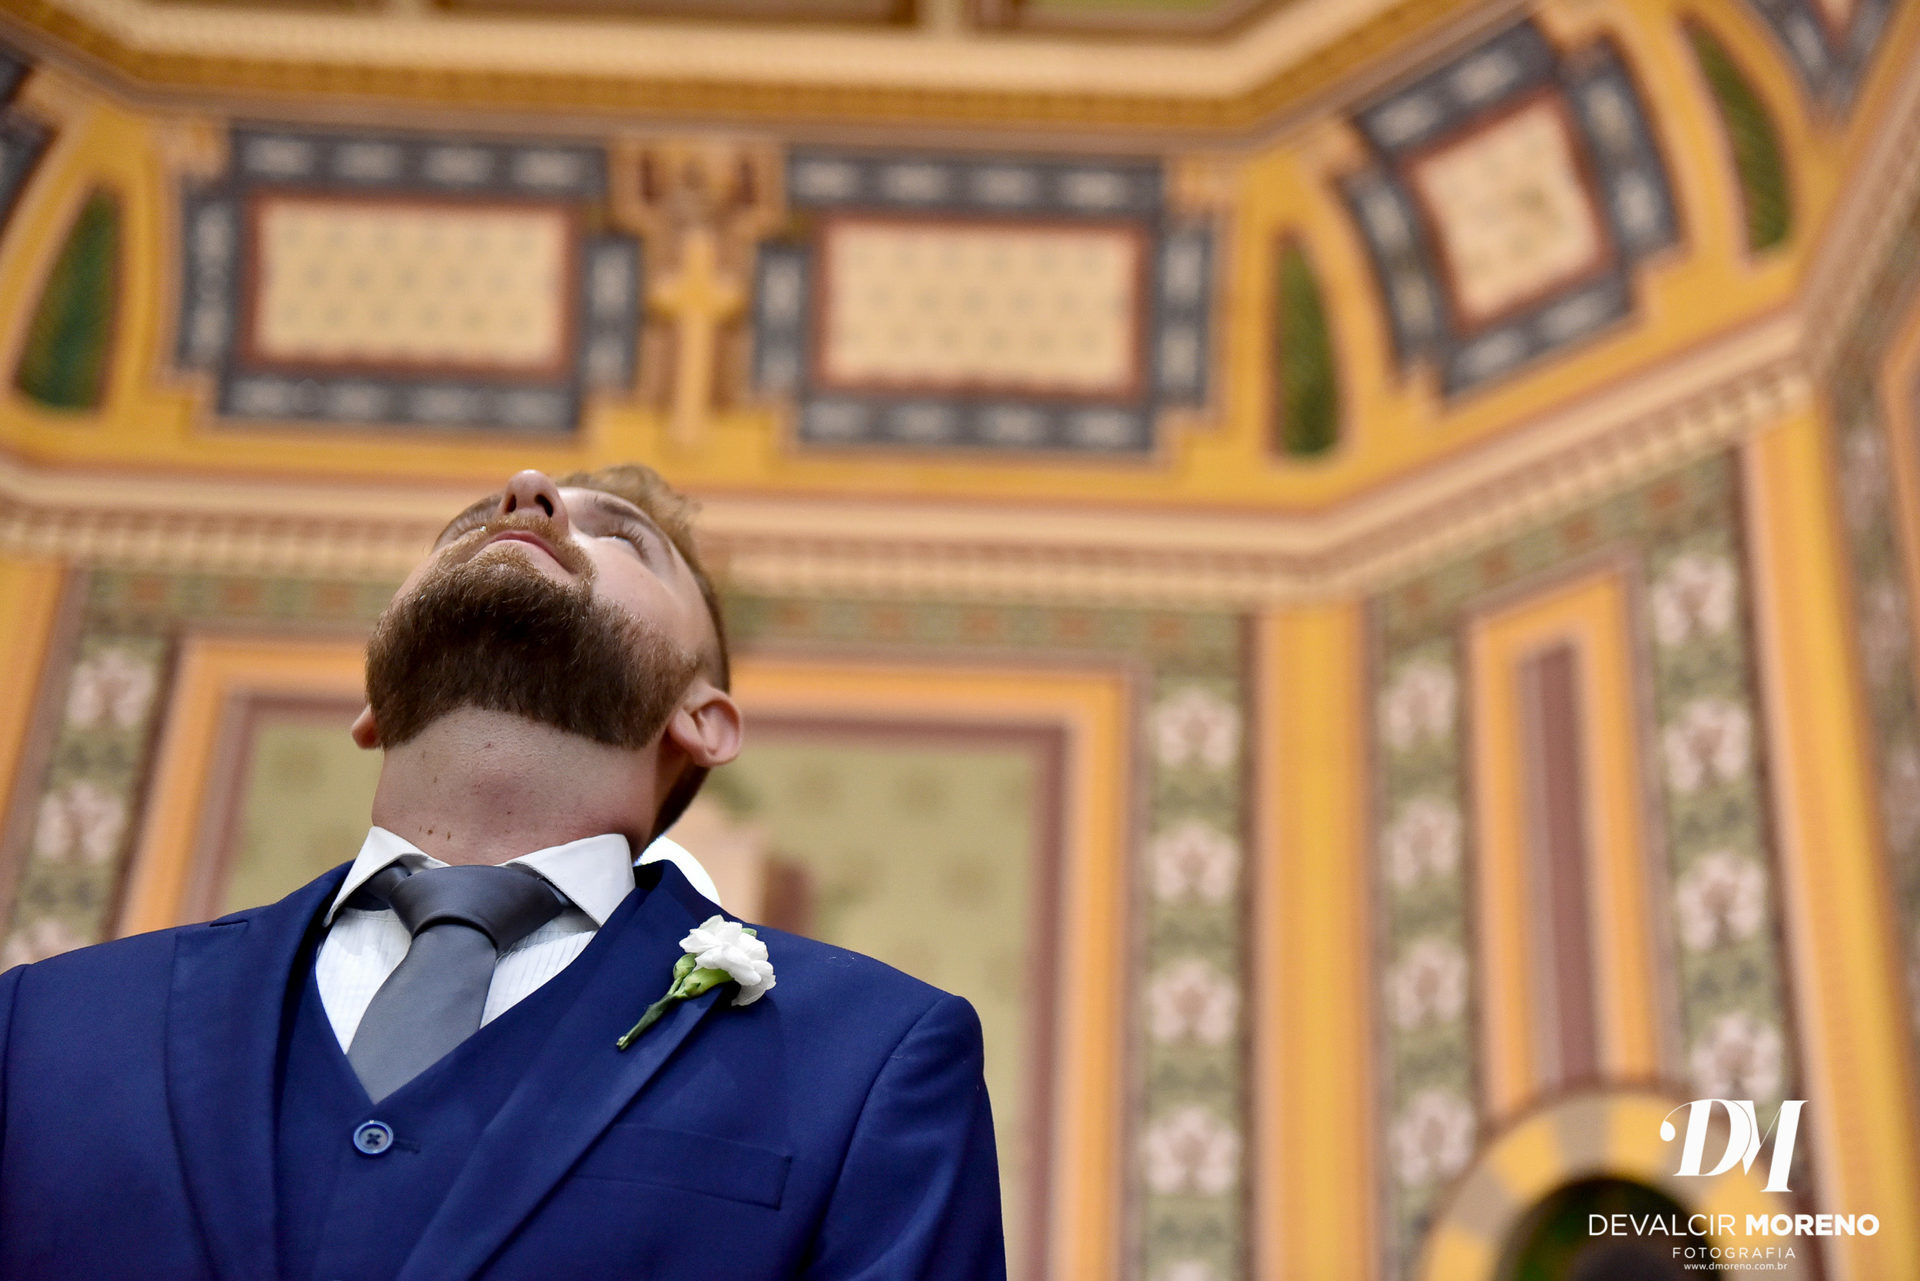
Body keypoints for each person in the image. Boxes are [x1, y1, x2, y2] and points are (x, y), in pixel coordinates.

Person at [0, 465, 1007, 1280]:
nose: (526, 495)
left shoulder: (869, 1060)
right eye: (465, 529)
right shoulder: (40, 1028)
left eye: (623, 541)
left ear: (705, 719)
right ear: (373, 698)